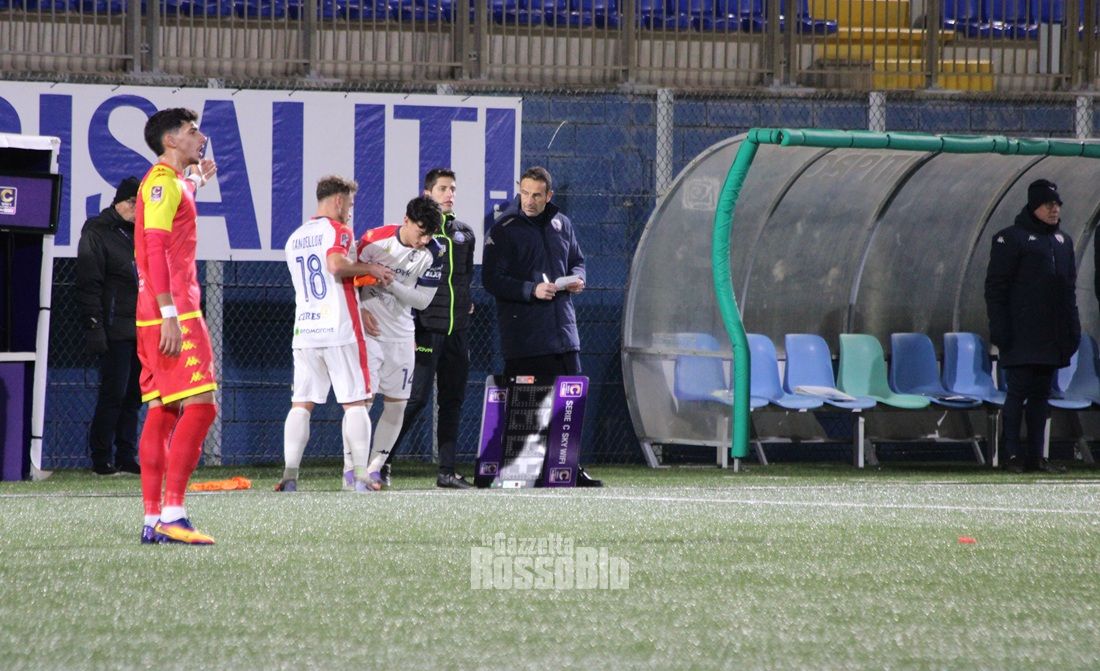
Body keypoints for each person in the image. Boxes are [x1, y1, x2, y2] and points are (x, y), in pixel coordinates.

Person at [482, 166, 602, 487]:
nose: (529, 200)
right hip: (526, 336)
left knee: (569, 405)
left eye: (537, 195)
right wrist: (530, 290)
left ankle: (568, 468)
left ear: (549, 195)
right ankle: (519, 470)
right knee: (527, 409)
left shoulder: (563, 224)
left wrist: (579, 279)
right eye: (525, 193)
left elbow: (577, 261)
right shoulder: (504, 229)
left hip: (564, 333)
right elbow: (491, 279)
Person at [134, 107, 221, 544]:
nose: (200, 137)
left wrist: (196, 181)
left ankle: (153, 520)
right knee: (202, 406)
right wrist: (170, 313)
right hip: (174, 312)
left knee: (163, 410)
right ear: (170, 141)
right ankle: (173, 513)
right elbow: (154, 248)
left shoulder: (167, 182)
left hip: (150, 312)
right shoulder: (163, 184)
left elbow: (177, 191)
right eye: (191, 131)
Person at [278, 176, 394, 493]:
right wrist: (370, 269)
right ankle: (361, 475)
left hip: (305, 330)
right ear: (339, 201)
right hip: (339, 329)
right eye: (350, 205)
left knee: (301, 404)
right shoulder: (338, 230)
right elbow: (335, 265)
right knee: (355, 403)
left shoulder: (294, 238)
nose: (350, 213)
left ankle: (290, 476)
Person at [340, 196, 444, 490]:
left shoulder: (435, 251)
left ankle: (374, 469)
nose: (424, 240)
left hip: (402, 335)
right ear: (406, 220)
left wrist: (389, 282)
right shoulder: (373, 240)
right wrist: (359, 311)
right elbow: (345, 278)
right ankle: (351, 470)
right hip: (369, 333)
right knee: (361, 404)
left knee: (397, 405)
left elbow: (422, 301)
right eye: (420, 232)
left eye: (430, 234)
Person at [387, 168, 476, 489]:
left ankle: (447, 472)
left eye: (452, 188)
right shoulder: (419, 235)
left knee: (452, 401)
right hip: (426, 330)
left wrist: (465, 303)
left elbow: (465, 278)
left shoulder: (465, 234)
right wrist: (411, 327)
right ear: (428, 194)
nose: (449, 194)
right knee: (415, 400)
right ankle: (380, 462)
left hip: (457, 331)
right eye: (442, 189)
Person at [985, 178, 1079, 474]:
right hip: (1021, 333)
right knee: (1018, 391)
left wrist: (1072, 329)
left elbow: (1069, 290)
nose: (1055, 209)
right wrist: (1000, 328)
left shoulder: (1063, 242)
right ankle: (1012, 454)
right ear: (1034, 206)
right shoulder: (1011, 239)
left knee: (1041, 394)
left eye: (1057, 204)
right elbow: (996, 288)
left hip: (1052, 335)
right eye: (1048, 204)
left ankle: (1037, 456)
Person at [76, 176, 142, 476]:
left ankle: (126, 456)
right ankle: (101, 457)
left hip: (140, 327)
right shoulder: (97, 231)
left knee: (134, 396)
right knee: (113, 393)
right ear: (124, 202)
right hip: (114, 328)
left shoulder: (138, 234)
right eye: (136, 204)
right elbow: (89, 283)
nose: (140, 211)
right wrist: (94, 326)